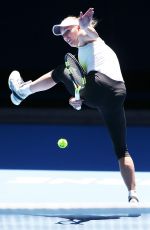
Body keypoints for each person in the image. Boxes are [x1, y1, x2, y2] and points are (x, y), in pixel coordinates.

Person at [8, 8, 139, 203]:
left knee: (61, 71)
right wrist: (78, 101)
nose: (65, 36)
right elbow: (83, 89)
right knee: (122, 150)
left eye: (68, 30)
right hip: (114, 96)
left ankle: (23, 91)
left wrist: (85, 26)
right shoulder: (85, 55)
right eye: (62, 34)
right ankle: (134, 196)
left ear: (79, 27)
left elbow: (90, 33)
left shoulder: (90, 39)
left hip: (103, 87)